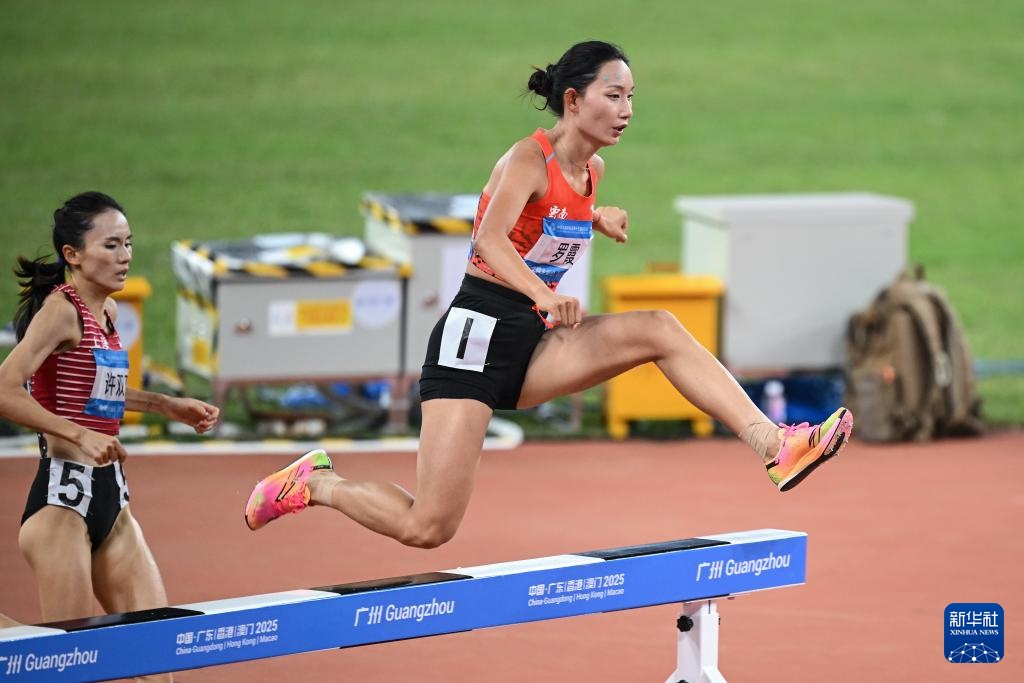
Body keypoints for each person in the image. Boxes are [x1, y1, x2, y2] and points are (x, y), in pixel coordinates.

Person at [245, 41, 853, 547]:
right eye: (613, 96)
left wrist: (595, 218)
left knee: (660, 328)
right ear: (573, 100)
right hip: (473, 340)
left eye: (632, 97)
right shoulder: (526, 158)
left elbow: (550, 219)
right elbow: (489, 239)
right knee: (427, 527)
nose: (626, 111)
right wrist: (543, 293)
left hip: (532, 342)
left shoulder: (593, 173)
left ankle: (775, 445)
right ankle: (315, 483)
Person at [0, 192, 219, 678]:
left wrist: (165, 405)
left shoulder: (108, 313)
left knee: (157, 662)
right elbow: (5, 389)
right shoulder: (60, 311)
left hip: (112, 502)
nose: (125, 256)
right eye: (111, 245)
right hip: (61, 506)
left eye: (128, 243)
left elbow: (97, 391)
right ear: (72, 254)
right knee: (74, 668)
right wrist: (79, 436)